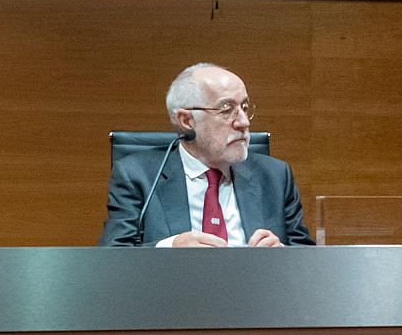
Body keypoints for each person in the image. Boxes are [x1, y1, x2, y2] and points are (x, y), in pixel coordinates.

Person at [99, 63, 313, 247]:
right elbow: (114, 257)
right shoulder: (137, 176)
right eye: (226, 109)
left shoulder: (275, 176)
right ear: (186, 120)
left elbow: (311, 261)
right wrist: (170, 247)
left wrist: (283, 253)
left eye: (244, 107)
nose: (244, 122)